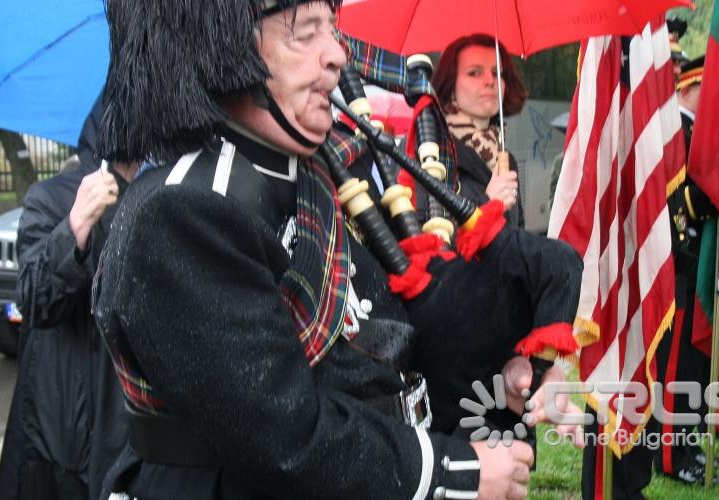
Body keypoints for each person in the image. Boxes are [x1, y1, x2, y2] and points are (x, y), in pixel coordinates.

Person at [92, 1, 543, 498]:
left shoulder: (312, 177)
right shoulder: (182, 211)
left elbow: (382, 346)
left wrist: (493, 372)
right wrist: (456, 471)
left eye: (332, 29)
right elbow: (284, 435)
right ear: (218, 49)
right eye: (304, 34)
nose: (338, 55)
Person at [0, 94, 134, 500]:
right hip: (58, 430)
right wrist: (75, 226)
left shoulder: (157, 194)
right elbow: (35, 299)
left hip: (123, 422)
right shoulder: (54, 198)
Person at [652, 56, 719, 485]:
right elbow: (677, 202)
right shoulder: (674, 132)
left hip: (698, 258)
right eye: (706, 89)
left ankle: (688, 442)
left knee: (696, 360)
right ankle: (670, 454)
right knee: (677, 367)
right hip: (678, 260)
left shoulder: (696, 132)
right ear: (686, 89)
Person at [432, 34, 526, 228]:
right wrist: (487, 204)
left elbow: (518, 234)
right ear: (450, 86)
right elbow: (421, 239)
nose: (489, 81)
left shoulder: (506, 159)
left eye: (497, 72)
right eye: (474, 73)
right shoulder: (430, 149)